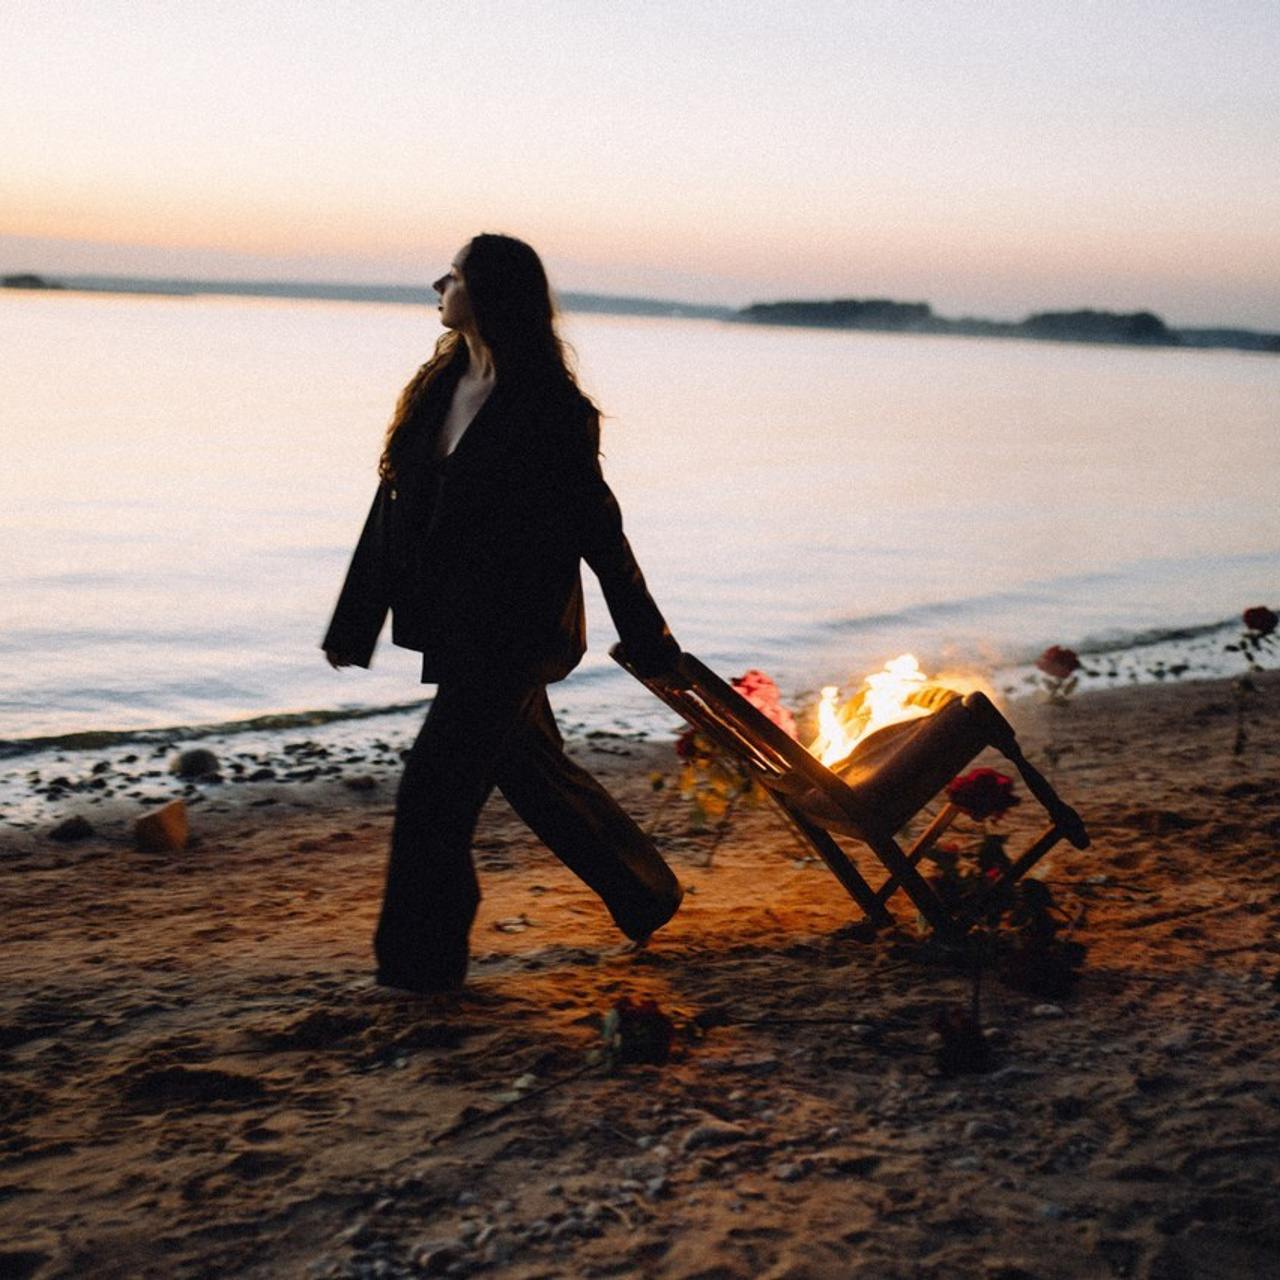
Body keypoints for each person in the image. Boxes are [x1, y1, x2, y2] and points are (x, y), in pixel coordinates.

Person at [322, 233, 684, 995]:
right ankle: (648, 894)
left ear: (483, 294)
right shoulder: (438, 386)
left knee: (432, 791)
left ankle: (420, 970)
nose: (437, 286)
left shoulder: (551, 408)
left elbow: (597, 524)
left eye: (449, 276)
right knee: (536, 774)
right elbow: (392, 508)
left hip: (517, 635)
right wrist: (356, 622)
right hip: (454, 628)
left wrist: (644, 630)